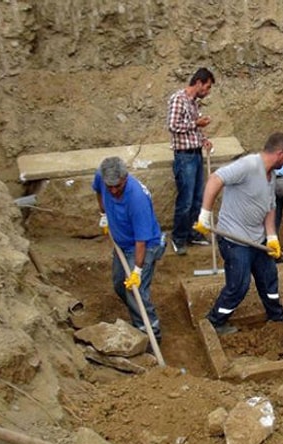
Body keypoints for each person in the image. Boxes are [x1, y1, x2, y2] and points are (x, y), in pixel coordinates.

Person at [193, 132, 283, 335]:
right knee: (239, 285)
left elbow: (270, 207)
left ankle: (276, 315)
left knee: (269, 277)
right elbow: (215, 178)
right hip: (234, 239)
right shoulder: (248, 165)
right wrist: (205, 213)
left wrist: (272, 236)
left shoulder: (271, 176)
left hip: (258, 239)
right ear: (281, 153)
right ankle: (215, 321)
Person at [92, 156, 165, 344]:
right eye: (110, 187)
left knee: (135, 290)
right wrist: (103, 214)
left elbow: (141, 241)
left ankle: (151, 333)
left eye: (118, 186)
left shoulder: (136, 199)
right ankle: (138, 314)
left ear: (125, 178)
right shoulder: (103, 178)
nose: (114, 191)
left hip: (143, 246)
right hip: (122, 244)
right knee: (119, 284)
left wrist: (137, 272)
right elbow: (98, 190)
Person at [166, 67, 215, 256]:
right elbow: (172, 125)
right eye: (207, 87)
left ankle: (193, 234)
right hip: (184, 156)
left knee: (197, 199)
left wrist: (204, 140)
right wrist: (196, 123)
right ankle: (178, 238)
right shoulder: (178, 99)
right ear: (199, 83)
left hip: (195, 154)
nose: (207, 92)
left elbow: (194, 130)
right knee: (185, 201)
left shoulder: (194, 103)